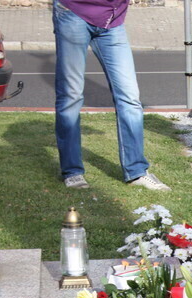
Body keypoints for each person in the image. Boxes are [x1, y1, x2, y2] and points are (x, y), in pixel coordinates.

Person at [52, 0, 169, 191]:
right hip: (74, 11)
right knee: (70, 96)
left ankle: (136, 171)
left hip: (112, 19)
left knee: (129, 97)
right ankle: (72, 172)